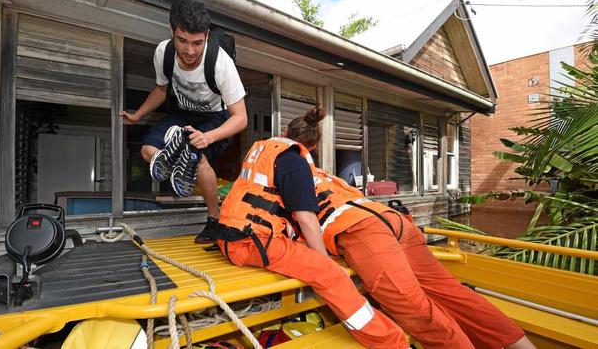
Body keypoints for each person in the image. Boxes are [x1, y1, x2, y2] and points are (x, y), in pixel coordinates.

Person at [216, 104, 537, 349]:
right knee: (450, 292)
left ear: (293, 140)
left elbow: (305, 219)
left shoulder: (288, 166)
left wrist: (323, 263)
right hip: (393, 221)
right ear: (314, 146)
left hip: (363, 233)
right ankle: (521, 344)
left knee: (416, 310)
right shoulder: (327, 175)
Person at [215, 105, 408, 348]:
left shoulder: (262, 150)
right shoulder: (295, 163)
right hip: (251, 242)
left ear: (285, 131)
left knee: (312, 253)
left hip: (234, 234)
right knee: (332, 275)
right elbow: (306, 219)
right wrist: (325, 259)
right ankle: (390, 342)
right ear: (313, 147)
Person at [120, 0, 247, 244]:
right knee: (147, 151)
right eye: (182, 40)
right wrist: (138, 115)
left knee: (198, 159)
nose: (190, 51)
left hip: (217, 117)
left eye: (198, 43)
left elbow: (240, 118)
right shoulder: (163, 53)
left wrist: (208, 137)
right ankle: (179, 156)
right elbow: (161, 89)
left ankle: (214, 220)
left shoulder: (221, 64)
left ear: (207, 36)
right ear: (172, 32)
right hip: (184, 114)